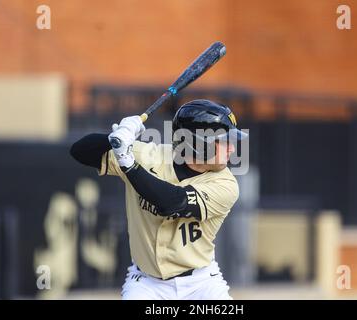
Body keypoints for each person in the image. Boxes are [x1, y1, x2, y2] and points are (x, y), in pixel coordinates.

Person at [70, 99, 247, 300]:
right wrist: (115, 138)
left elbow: (170, 203)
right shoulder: (150, 156)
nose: (232, 149)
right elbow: (79, 151)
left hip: (201, 284)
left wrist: (128, 164)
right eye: (224, 141)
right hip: (146, 284)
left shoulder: (226, 184)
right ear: (199, 144)